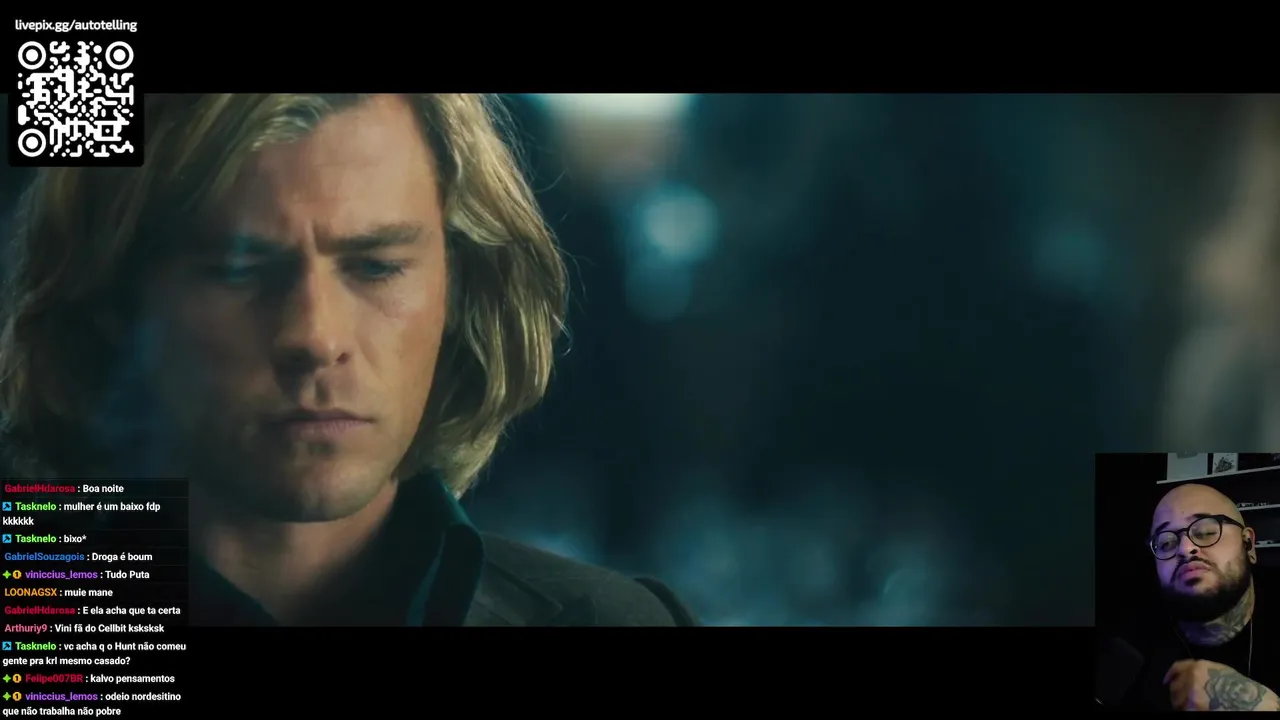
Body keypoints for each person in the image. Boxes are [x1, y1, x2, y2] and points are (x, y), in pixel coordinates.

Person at [0, 93, 697, 627]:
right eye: (239, 270)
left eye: (376, 266)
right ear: (116, 301)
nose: (315, 336)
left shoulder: (611, 622)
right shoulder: (42, 626)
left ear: (459, 290)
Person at [1118, 483, 1278, 709]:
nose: (1185, 548)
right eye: (1166, 543)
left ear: (1249, 544)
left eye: (1206, 532)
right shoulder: (1130, 643)